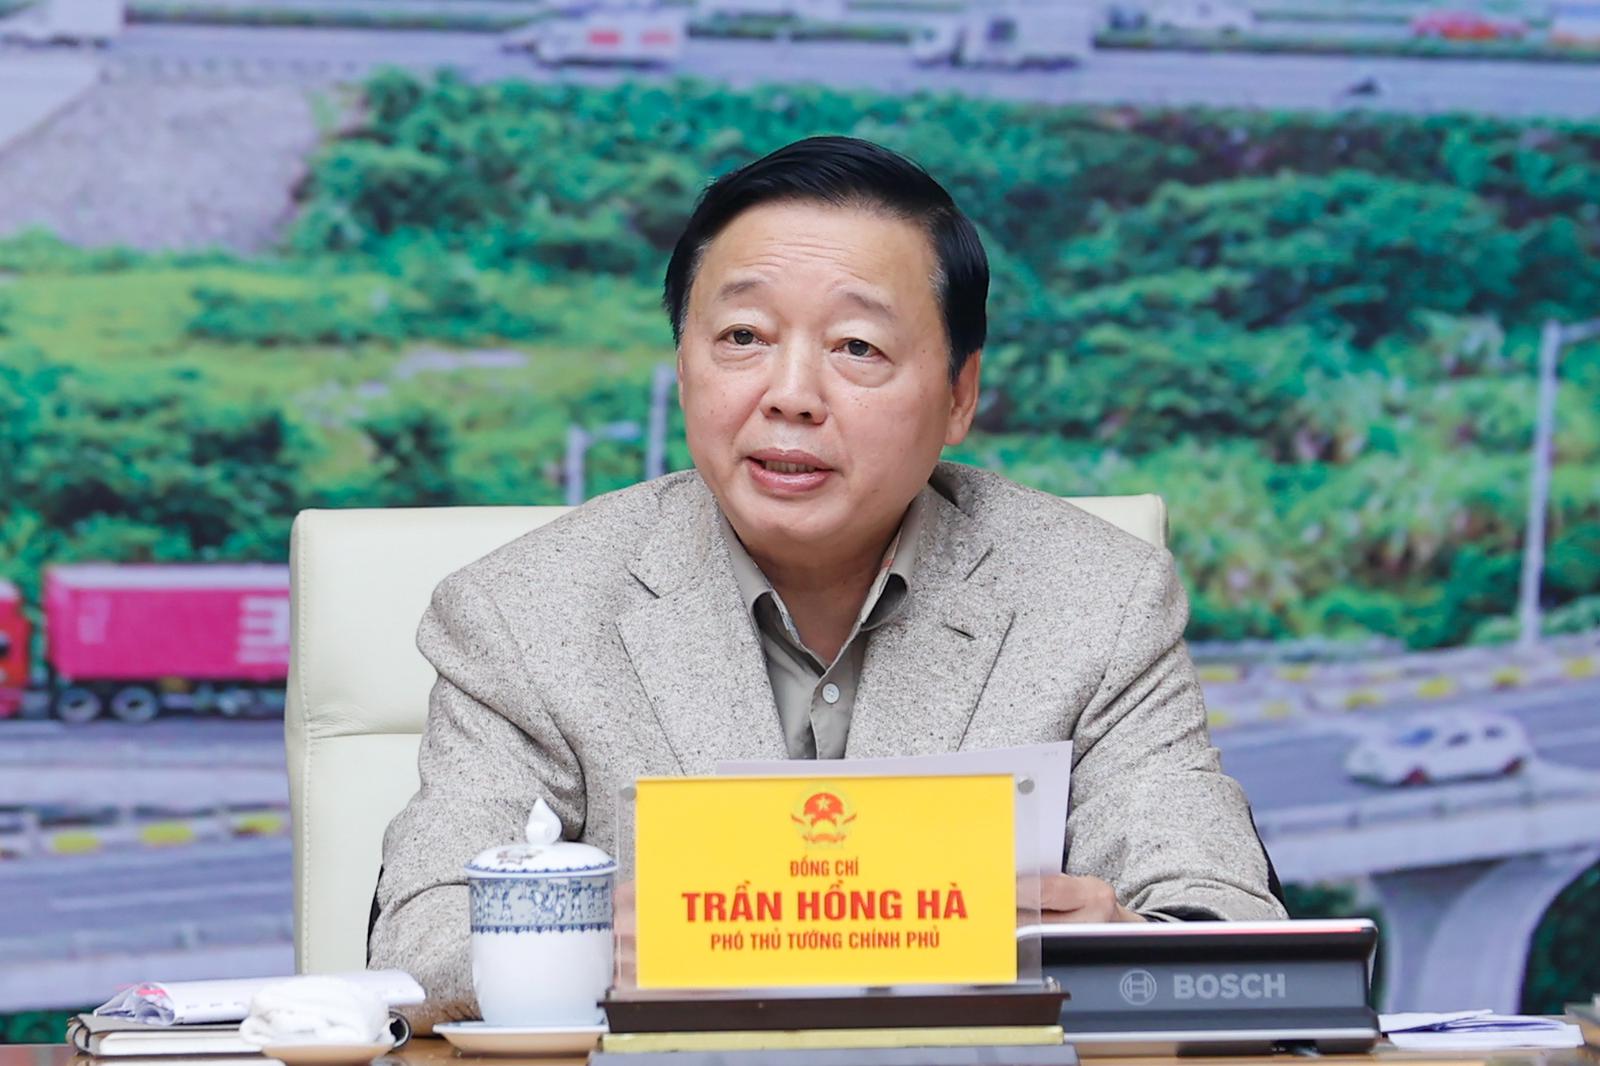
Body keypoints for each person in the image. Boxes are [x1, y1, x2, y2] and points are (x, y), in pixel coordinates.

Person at [369, 135, 1286, 1028]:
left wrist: (1115, 949)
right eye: (743, 336)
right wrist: (589, 949)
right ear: (683, 368)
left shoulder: (1099, 597)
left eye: (857, 347)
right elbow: (418, 943)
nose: (792, 395)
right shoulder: (521, 613)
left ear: (960, 394)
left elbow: (1224, 920)